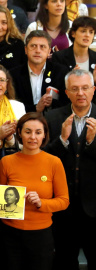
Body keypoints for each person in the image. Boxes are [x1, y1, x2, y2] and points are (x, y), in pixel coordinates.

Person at [0, 112, 69, 270]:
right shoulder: (6, 162)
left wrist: (40, 203)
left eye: (38, 132)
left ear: (45, 135)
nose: (33, 137)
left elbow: (64, 201)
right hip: (10, 234)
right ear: (19, 133)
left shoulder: (54, 162)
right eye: (28, 131)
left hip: (41, 235)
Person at [44, 69, 96, 270]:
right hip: (63, 208)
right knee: (64, 260)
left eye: (85, 88)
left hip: (94, 207)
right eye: (75, 89)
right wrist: (62, 141)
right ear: (67, 92)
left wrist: (92, 143)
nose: (80, 93)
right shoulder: (53, 118)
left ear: (93, 90)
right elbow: (43, 159)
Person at [10, 30, 69, 113]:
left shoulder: (60, 72)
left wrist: (52, 103)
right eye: (33, 46)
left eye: (42, 47)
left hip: (53, 122)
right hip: (23, 121)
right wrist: (36, 108)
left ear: (49, 51)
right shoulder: (13, 74)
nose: (38, 50)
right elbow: (11, 106)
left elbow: (67, 103)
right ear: (26, 50)